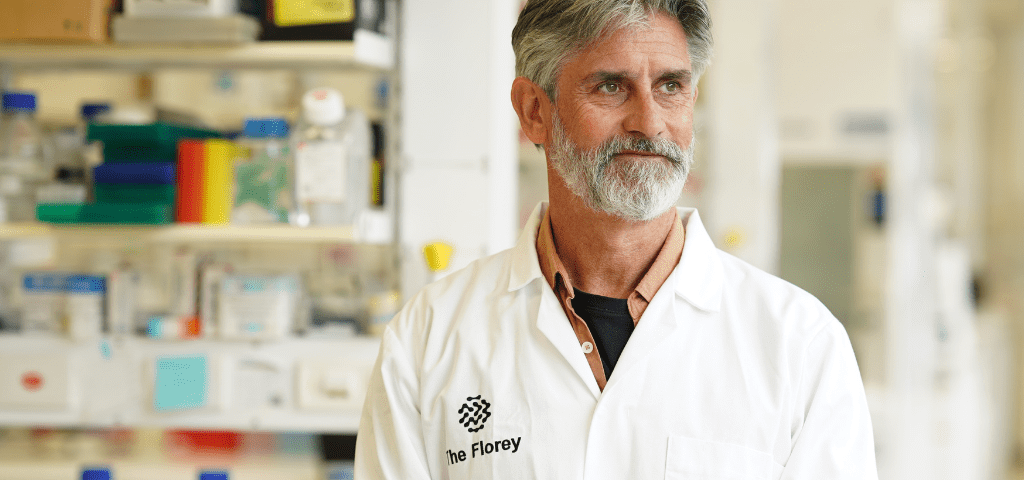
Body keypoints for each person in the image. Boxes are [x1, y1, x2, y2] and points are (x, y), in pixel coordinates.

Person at [355, 0, 878, 478]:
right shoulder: (429, 339)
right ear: (534, 111)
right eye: (610, 86)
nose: (649, 122)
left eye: (671, 86)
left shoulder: (799, 344)